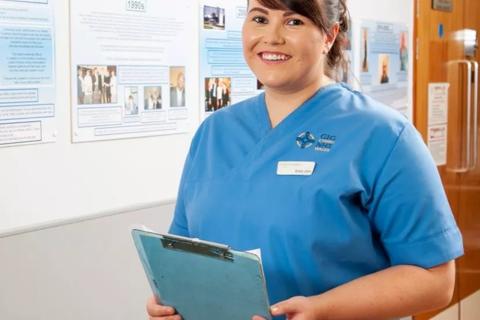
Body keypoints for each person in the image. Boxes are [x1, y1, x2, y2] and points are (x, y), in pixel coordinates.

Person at [147, 0, 463, 319]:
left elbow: (435, 280)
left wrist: (322, 310)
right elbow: (182, 251)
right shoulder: (215, 132)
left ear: (329, 36)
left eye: (294, 22)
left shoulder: (383, 135)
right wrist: (171, 299)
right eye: (259, 18)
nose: (271, 37)